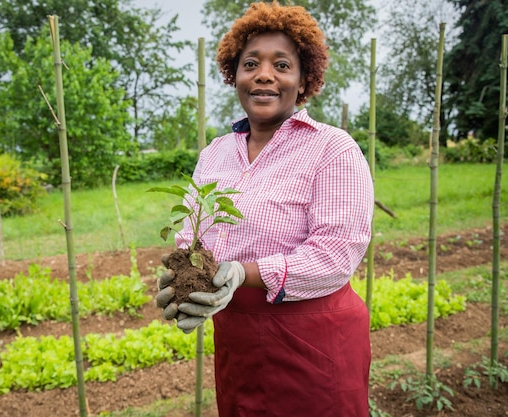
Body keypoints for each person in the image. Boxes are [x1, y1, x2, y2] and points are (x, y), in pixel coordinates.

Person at [155, 2, 374, 416]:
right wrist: (183, 281)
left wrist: (243, 272)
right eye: (250, 63)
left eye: (282, 65)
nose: (264, 75)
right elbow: (191, 234)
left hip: (313, 336)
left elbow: (335, 255)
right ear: (233, 75)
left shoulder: (332, 148)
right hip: (238, 339)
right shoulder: (215, 154)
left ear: (304, 78)